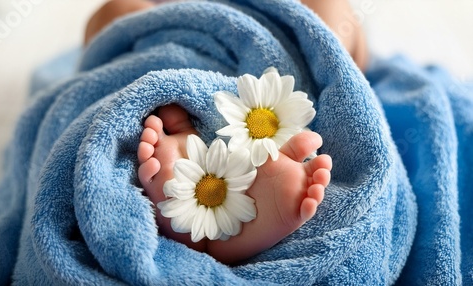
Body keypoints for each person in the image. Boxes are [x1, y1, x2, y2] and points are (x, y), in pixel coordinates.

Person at [83, 0, 368, 264]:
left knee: (326, 8)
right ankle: (191, 173)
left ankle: (219, 188)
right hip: (194, 49)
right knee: (119, 10)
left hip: (270, 78)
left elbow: (355, 55)